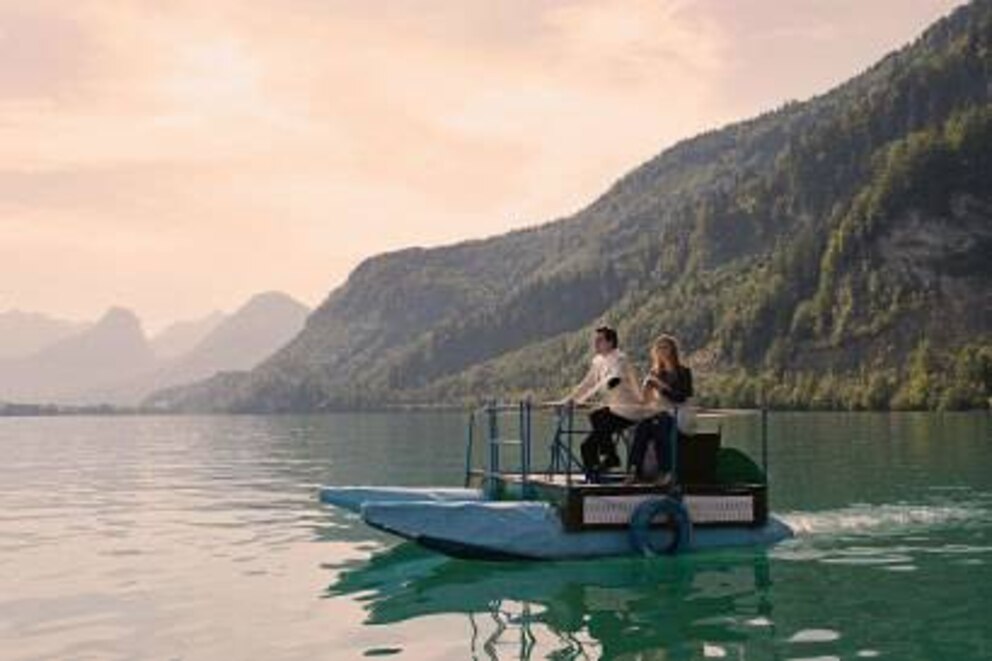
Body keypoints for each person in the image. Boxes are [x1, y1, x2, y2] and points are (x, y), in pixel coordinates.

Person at [559, 326, 655, 482]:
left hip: (628, 411)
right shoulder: (598, 361)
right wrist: (570, 399)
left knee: (592, 431)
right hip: (614, 410)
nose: (595, 343)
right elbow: (587, 383)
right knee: (592, 430)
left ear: (610, 342)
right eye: (595, 340)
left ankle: (606, 462)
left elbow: (614, 377)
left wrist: (583, 399)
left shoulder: (620, 358)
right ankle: (602, 468)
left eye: (600, 340)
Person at [627, 334, 694, 484]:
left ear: (672, 350)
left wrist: (660, 386)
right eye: (659, 347)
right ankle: (635, 470)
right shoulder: (656, 373)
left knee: (661, 423)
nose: (661, 350)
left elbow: (680, 398)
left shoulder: (684, 372)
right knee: (642, 426)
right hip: (660, 415)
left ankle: (666, 472)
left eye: (665, 347)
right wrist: (645, 387)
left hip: (679, 415)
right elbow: (645, 401)